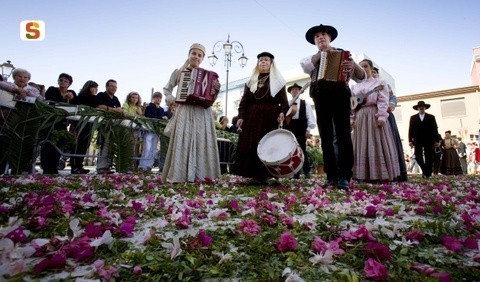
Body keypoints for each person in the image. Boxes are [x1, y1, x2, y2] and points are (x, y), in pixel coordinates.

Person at [300, 24, 366, 190]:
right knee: (326, 136)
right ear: (315, 41)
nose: (321, 37)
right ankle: (331, 176)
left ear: (330, 37)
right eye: (317, 36)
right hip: (321, 96)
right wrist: (321, 53)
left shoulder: (344, 55)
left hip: (340, 95)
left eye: (323, 35)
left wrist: (353, 66)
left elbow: (361, 77)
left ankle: (344, 175)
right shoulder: (311, 58)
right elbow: (306, 67)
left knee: (343, 134)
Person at [162, 43, 221, 183]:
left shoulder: (209, 76)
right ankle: (179, 175)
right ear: (188, 55)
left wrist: (216, 90)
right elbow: (167, 89)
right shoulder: (178, 72)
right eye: (194, 53)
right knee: (183, 139)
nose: (196, 57)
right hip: (185, 109)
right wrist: (172, 100)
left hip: (202, 112)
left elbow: (211, 97)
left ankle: (201, 175)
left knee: (202, 141)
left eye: (200, 55)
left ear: (202, 58)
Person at [234, 51, 288, 184]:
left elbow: (284, 102)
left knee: (269, 146)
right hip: (252, 117)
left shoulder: (278, 81)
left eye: (266, 60)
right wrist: (241, 116)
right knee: (252, 144)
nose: (263, 62)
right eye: (261, 60)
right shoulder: (251, 81)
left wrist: (282, 112)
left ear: (271, 64)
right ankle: (255, 176)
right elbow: (244, 101)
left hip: (270, 118)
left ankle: (269, 175)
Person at [350, 59, 400, 182]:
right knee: (362, 144)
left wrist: (382, 116)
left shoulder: (380, 83)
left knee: (375, 142)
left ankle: (379, 175)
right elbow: (352, 105)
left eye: (365, 66)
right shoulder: (355, 86)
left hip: (374, 114)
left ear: (371, 69)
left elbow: (383, 100)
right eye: (360, 67)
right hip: (361, 117)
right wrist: (352, 118)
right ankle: (363, 175)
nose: (363, 69)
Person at [373, 67, 407, 181]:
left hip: (386, 115)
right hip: (372, 116)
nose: (372, 74)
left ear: (377, 74)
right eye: (370, 72)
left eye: (374, 72)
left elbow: (392, 97)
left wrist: (391, 104)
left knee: (391, 142)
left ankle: (396, 172)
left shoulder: (385, 85)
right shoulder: (365, 85)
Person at [41, 73, 77, 174]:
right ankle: (46, 168)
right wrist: (63, 98)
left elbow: (75, 106)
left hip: (63, 123)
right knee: (48, 143)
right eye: (61, 80)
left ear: (69, 84)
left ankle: (54, 166)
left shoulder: (72, 92)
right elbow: (50, 101)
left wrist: (71, 98)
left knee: (59, 143)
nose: (63, 82)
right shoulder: (52, 90)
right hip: (51, 122)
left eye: (66, 81)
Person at [285, 83, 316, 179]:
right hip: (290, 128)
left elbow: (310, 117)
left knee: (302, 149)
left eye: (296, 89)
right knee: (290, 151)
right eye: (292, 89)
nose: (294, 91)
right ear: (290, 92)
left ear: (300, 91)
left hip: (301, 128)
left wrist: (308, 129)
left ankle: (306, 171)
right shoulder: (288, 104)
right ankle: (294, 173)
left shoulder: (304, 103)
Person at [95, 79, 123, 174]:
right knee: (104, 144)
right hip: (104, 124)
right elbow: (99, 106)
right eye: (111, 86)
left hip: (114, 126)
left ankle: (107, 166)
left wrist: (115, 110)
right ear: (107, 86)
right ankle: (101, 167)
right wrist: (112, 109)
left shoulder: (115, 99)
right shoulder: (101, 95)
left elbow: (119, 109)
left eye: (115, 87)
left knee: (111, 145)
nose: (113, 88)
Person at [70, 80, 98, 174]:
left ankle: (79, 165)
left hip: (89, 124)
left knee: (84, 146)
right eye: (94, 87)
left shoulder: (93, 97)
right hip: (81, 124)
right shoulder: (82, 96)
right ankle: (74, 166)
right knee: (78, 145)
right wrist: (94, 96)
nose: (96, 90)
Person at [408, 101, 439, 179]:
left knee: (429, 156)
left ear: (425, 107)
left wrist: (436, 140)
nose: (421, 108)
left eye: (423, 106)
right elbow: (410, 129)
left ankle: (427, 173)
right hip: (417, 140)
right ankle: (425, 170)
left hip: (429, 140)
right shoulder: (413, 118)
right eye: (420, 106)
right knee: (418, 156)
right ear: (417, 108)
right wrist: (410, 140)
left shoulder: (431, 117)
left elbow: (435, 129)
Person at [138, 92, 167, 172]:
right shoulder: (150, 107)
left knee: (153, 148)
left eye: (160, 98)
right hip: (149, 129)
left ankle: (149, 165)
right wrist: (161, 117)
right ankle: (143, 165)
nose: (158, 99)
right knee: (147, 147)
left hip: (156, 130)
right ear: (153, 98)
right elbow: (149, 116)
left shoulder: (161, 109)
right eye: (156, 97)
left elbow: (163, 117)